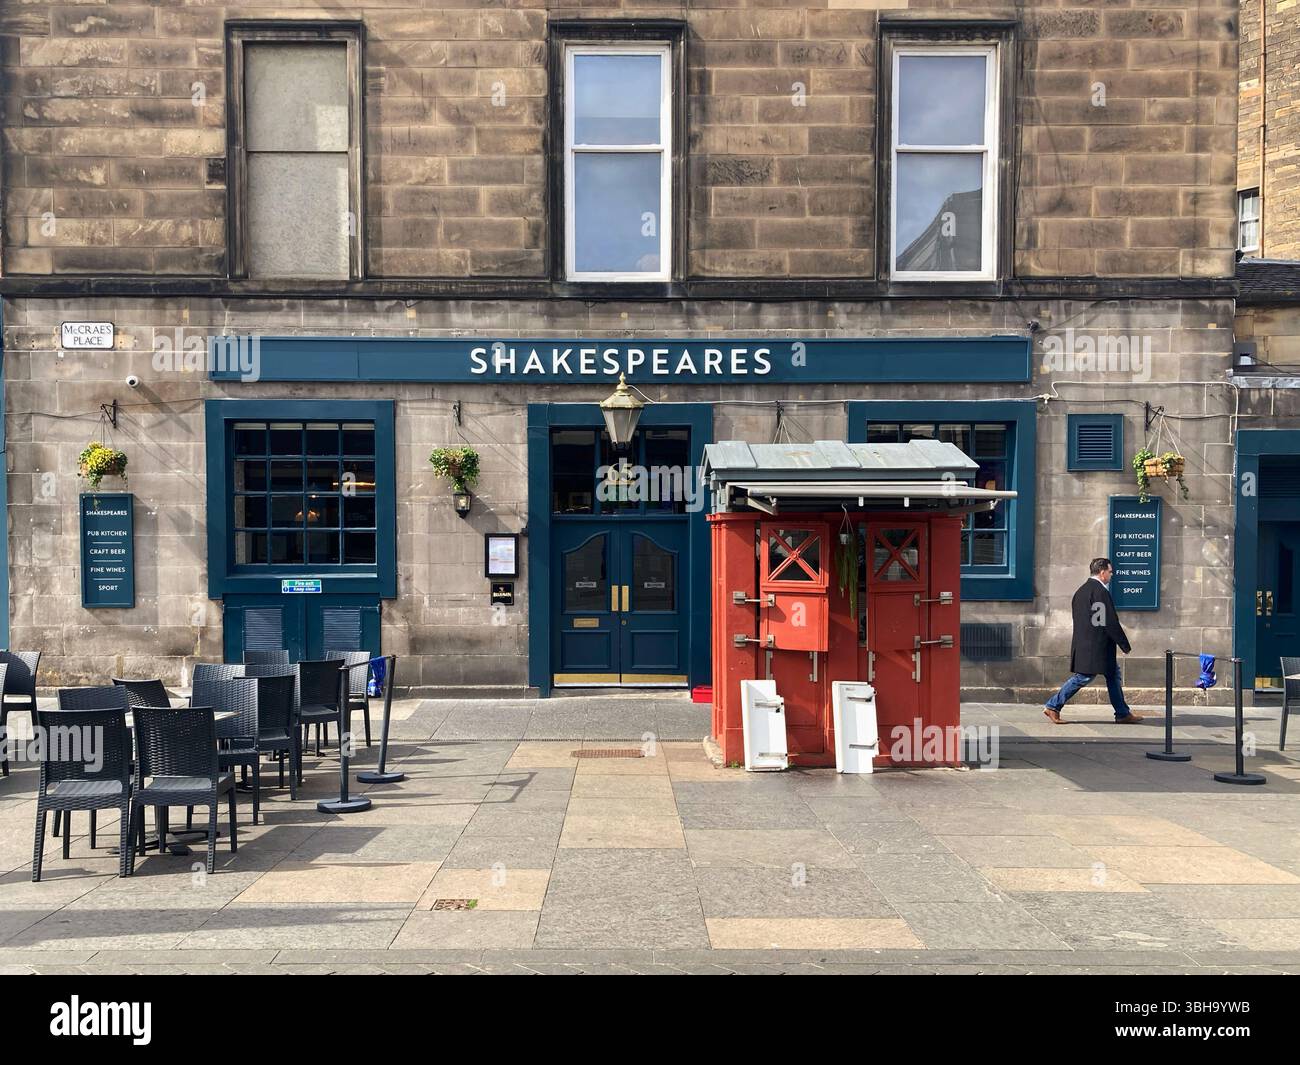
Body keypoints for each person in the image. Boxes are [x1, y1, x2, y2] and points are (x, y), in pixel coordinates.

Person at [1044, 557, 1144, 725]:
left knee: (1113, 675)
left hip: (1087, 644)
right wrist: (1124, 644)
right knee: (1083, 677)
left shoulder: (1081, 591)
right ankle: (1053, 706)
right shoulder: (1100, 592)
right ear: (1102, 572)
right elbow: (1107, 621)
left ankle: (1122, 713)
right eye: (1110, 572)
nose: (1112, 575)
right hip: (1096, 647)